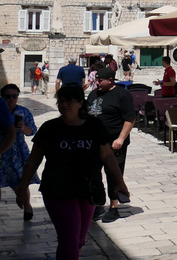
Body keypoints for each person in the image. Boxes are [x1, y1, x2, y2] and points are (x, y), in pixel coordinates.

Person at [15, 85, 129, 260]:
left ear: (80, 103)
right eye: (60, 100)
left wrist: (120, 182)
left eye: (68, 100)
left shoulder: (94, 126)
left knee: (80, 240)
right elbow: (33, 160)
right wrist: (23, 188)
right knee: (69, 239)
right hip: (58, 190)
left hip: (88, 190)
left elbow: (107, 155)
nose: (63, 104)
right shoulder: (50, 128)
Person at [86, 67, 135, 222]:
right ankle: (98, 203)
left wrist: (120, 139)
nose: (97, 83)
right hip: (94, 142)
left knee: (113, 174)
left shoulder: (122, 95)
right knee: (93, 173)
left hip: (114, 142)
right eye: (96, 80)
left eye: (100, 81)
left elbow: (129, 119)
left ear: (110, 80)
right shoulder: (94, 94)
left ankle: (114, 207)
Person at [0, 84, 38, 219]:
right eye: (7, 96)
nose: (11, 99)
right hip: (1, 149)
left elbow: (32, 131)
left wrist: (23, 128)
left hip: (16, 151)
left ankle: (27, 205)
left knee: (20, 180)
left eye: (14, 96)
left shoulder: (23, 112)